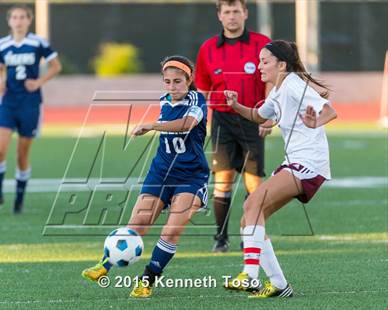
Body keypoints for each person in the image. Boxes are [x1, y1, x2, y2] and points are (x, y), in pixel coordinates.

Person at [81, 55, 209, 298]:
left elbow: (186, 125)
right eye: (168, 82)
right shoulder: (164, 101)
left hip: (190, 176)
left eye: (178, 82)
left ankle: (147, 281)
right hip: (160, 172)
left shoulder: (197, 100)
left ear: (189, 79)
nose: (172, 87)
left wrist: (152, 125)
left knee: (170, 232)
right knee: (136, 225)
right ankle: (104, 266)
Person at [222, 39, 337, 298]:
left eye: (265, 61)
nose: (259, 66)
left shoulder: (294, 84)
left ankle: (250, 275)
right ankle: (279, 284)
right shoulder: (276, 91)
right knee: (248, 218)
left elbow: (330, 111)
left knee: (253, 204)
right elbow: (259, 116)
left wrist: (314, 122)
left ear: (282, 65)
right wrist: (236, 106)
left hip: (308, 162)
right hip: (294, 162)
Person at [195, 0, 272, 252]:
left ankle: (249, 236)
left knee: (253, 183)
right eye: (226, 12)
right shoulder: (207, 48)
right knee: (223, 181)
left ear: (245, 14)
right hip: (222, 121)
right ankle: (221, 238)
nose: (232, 16)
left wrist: (268, 115)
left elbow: (272, 81)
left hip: (252, 118)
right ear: (219, 16)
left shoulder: (262, 45)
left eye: (236, 11)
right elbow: (203, 89)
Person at [0, 4, 61, 214]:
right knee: (0, 150)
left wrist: (39, 82)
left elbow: (56, 66)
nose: (18, 21)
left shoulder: (38, 42)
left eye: (22, 17)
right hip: (8, 102)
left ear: (29, 20)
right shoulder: (2, 44)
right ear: (9, 21)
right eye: (14, 17)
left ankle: (19, 200)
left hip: (30, 103)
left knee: (21, 155)